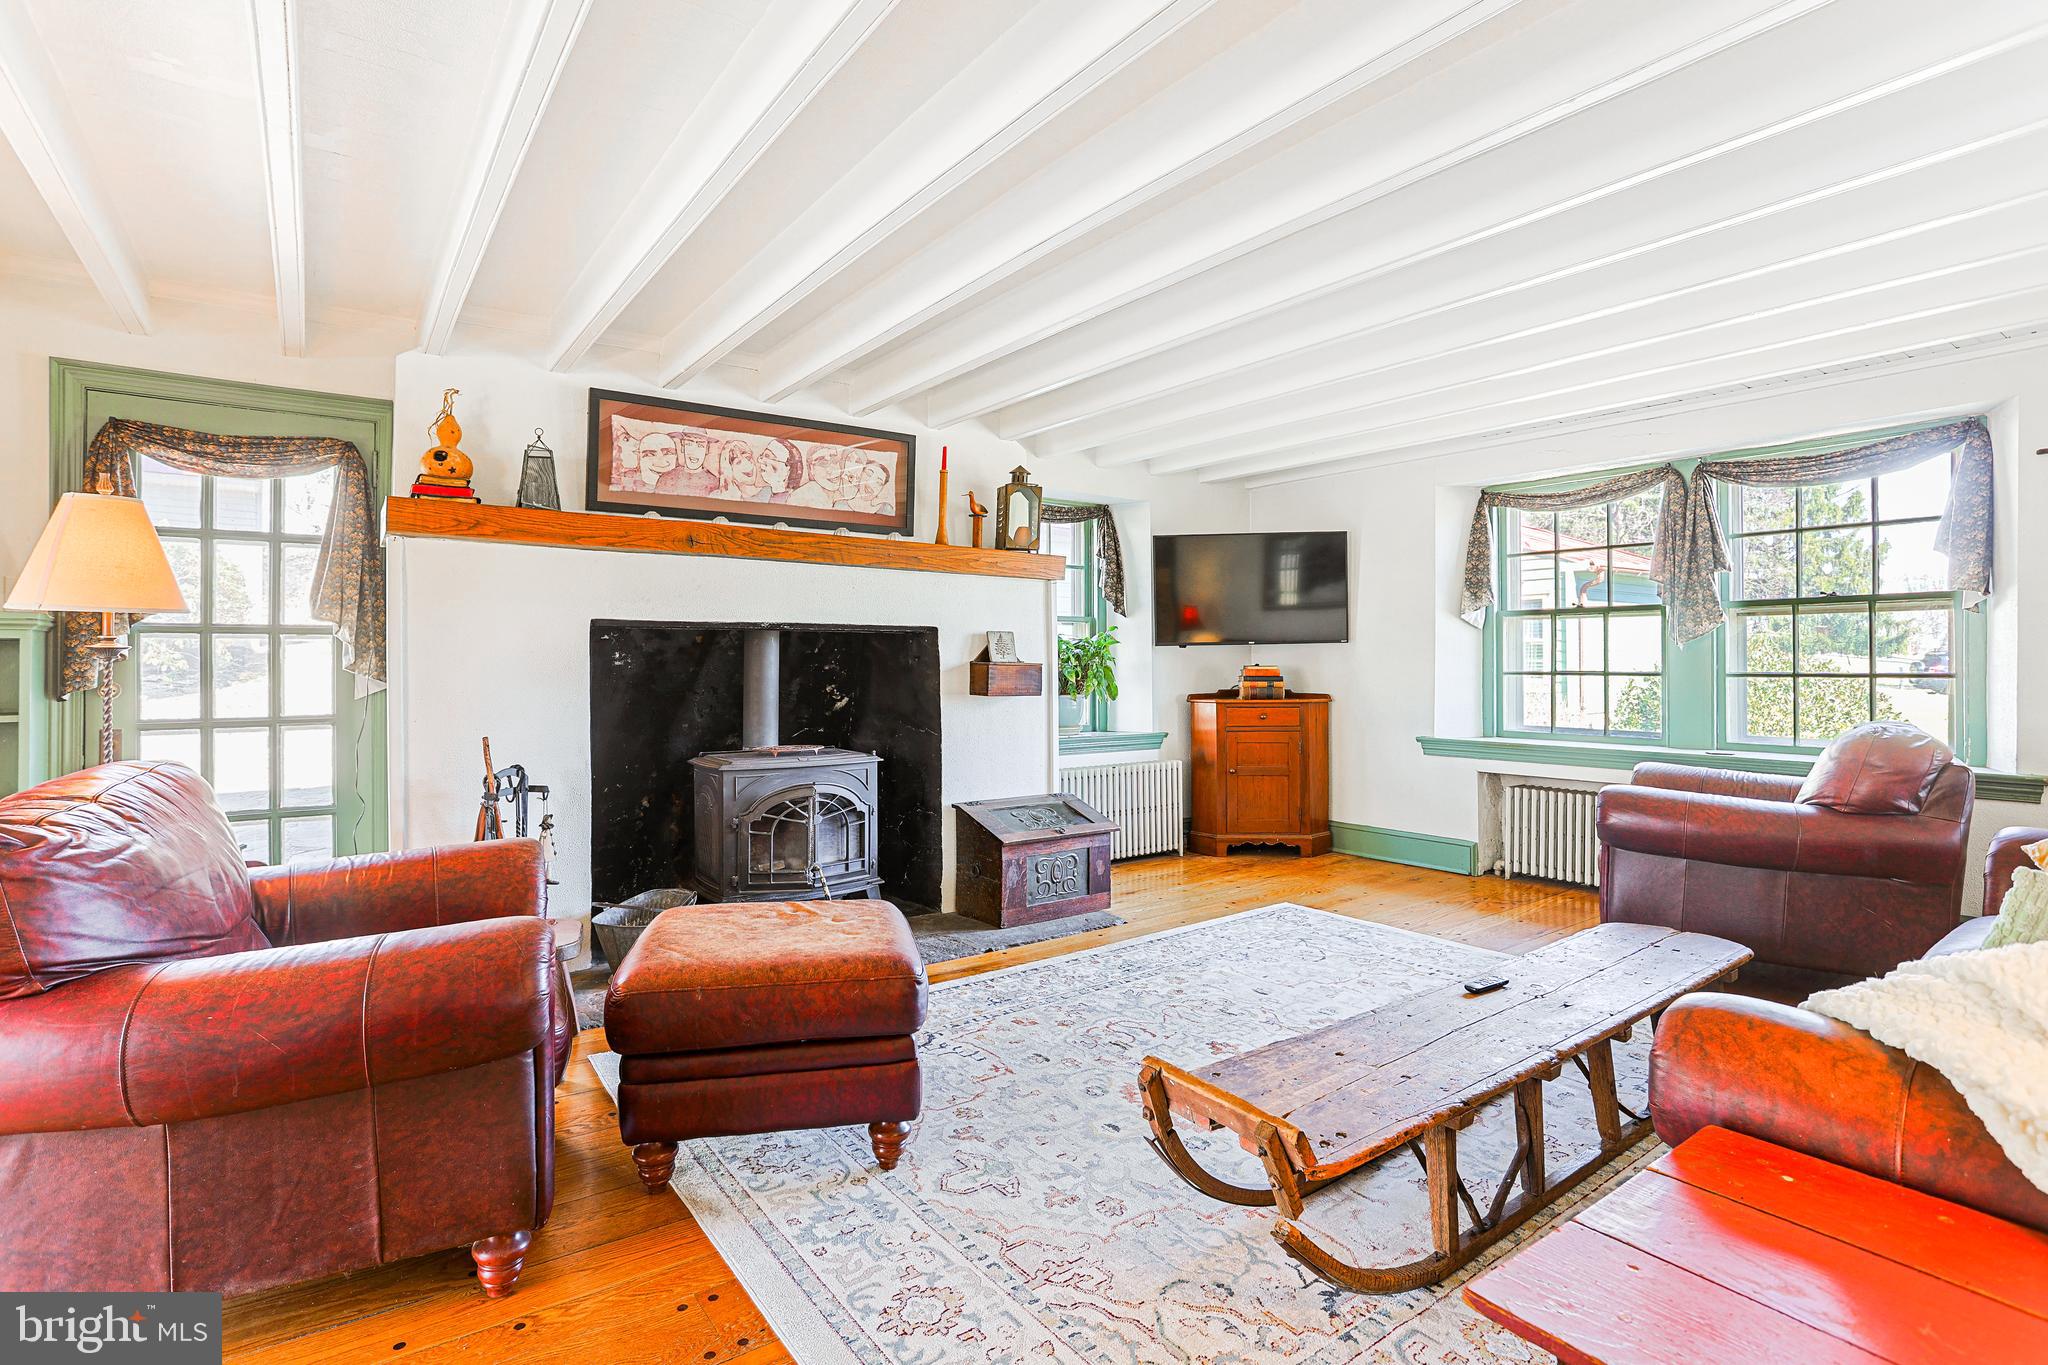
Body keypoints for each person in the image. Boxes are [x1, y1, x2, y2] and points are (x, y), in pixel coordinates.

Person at [669, 430, 722, 497]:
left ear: (707, 450)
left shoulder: (715, 483)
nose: (694, 451)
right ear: (683, 447)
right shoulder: (668, 477)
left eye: (700, 446)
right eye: (689, 444)